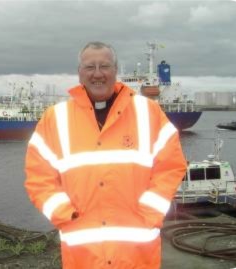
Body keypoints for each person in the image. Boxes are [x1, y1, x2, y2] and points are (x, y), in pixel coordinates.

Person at [24, 41, 187, 268]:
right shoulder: (55, 118)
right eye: (90, 67)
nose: (98, 74)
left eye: (105, 66)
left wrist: (150, 211)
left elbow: (171, 167)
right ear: (79, 73)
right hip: (83, 255)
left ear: (116, 70)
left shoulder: (149, 112)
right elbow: (38, 177)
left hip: (137, 253)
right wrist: (64, 214)